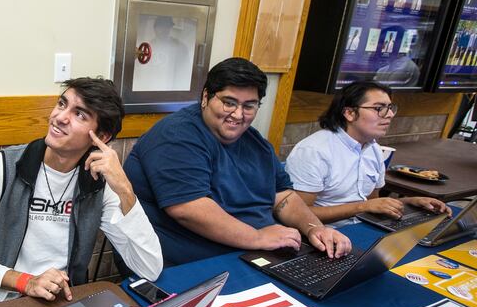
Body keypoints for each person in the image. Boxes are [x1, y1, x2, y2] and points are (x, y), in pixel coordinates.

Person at [0, 78, 163, 307]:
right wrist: (27, 282)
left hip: (64, 306)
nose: (60, 117)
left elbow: (148, 268)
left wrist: (125, 189)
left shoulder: (98, 185)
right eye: (62, 104)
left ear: (101, 137)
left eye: (79, 114)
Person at [124, 58, 351, 267]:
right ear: (205, 97)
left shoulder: (255, 142)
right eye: (229, 102)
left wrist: (315, 229)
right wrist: (258, 237)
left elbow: (283, 196)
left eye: (249, 106)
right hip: (195, 264)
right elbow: (187, 208)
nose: (238, 114)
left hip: (259, 251)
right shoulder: (176, 135)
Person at [285, 81, 450, 226]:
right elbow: (298, 214)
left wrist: (411, 202)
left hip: (363, 225)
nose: (390, 115)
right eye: (379, 108)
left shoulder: (373, 149)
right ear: (349, 113)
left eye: (390, 108)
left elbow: (373, 203)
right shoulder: (314, 151)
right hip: (326, 233)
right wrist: (362, 207)